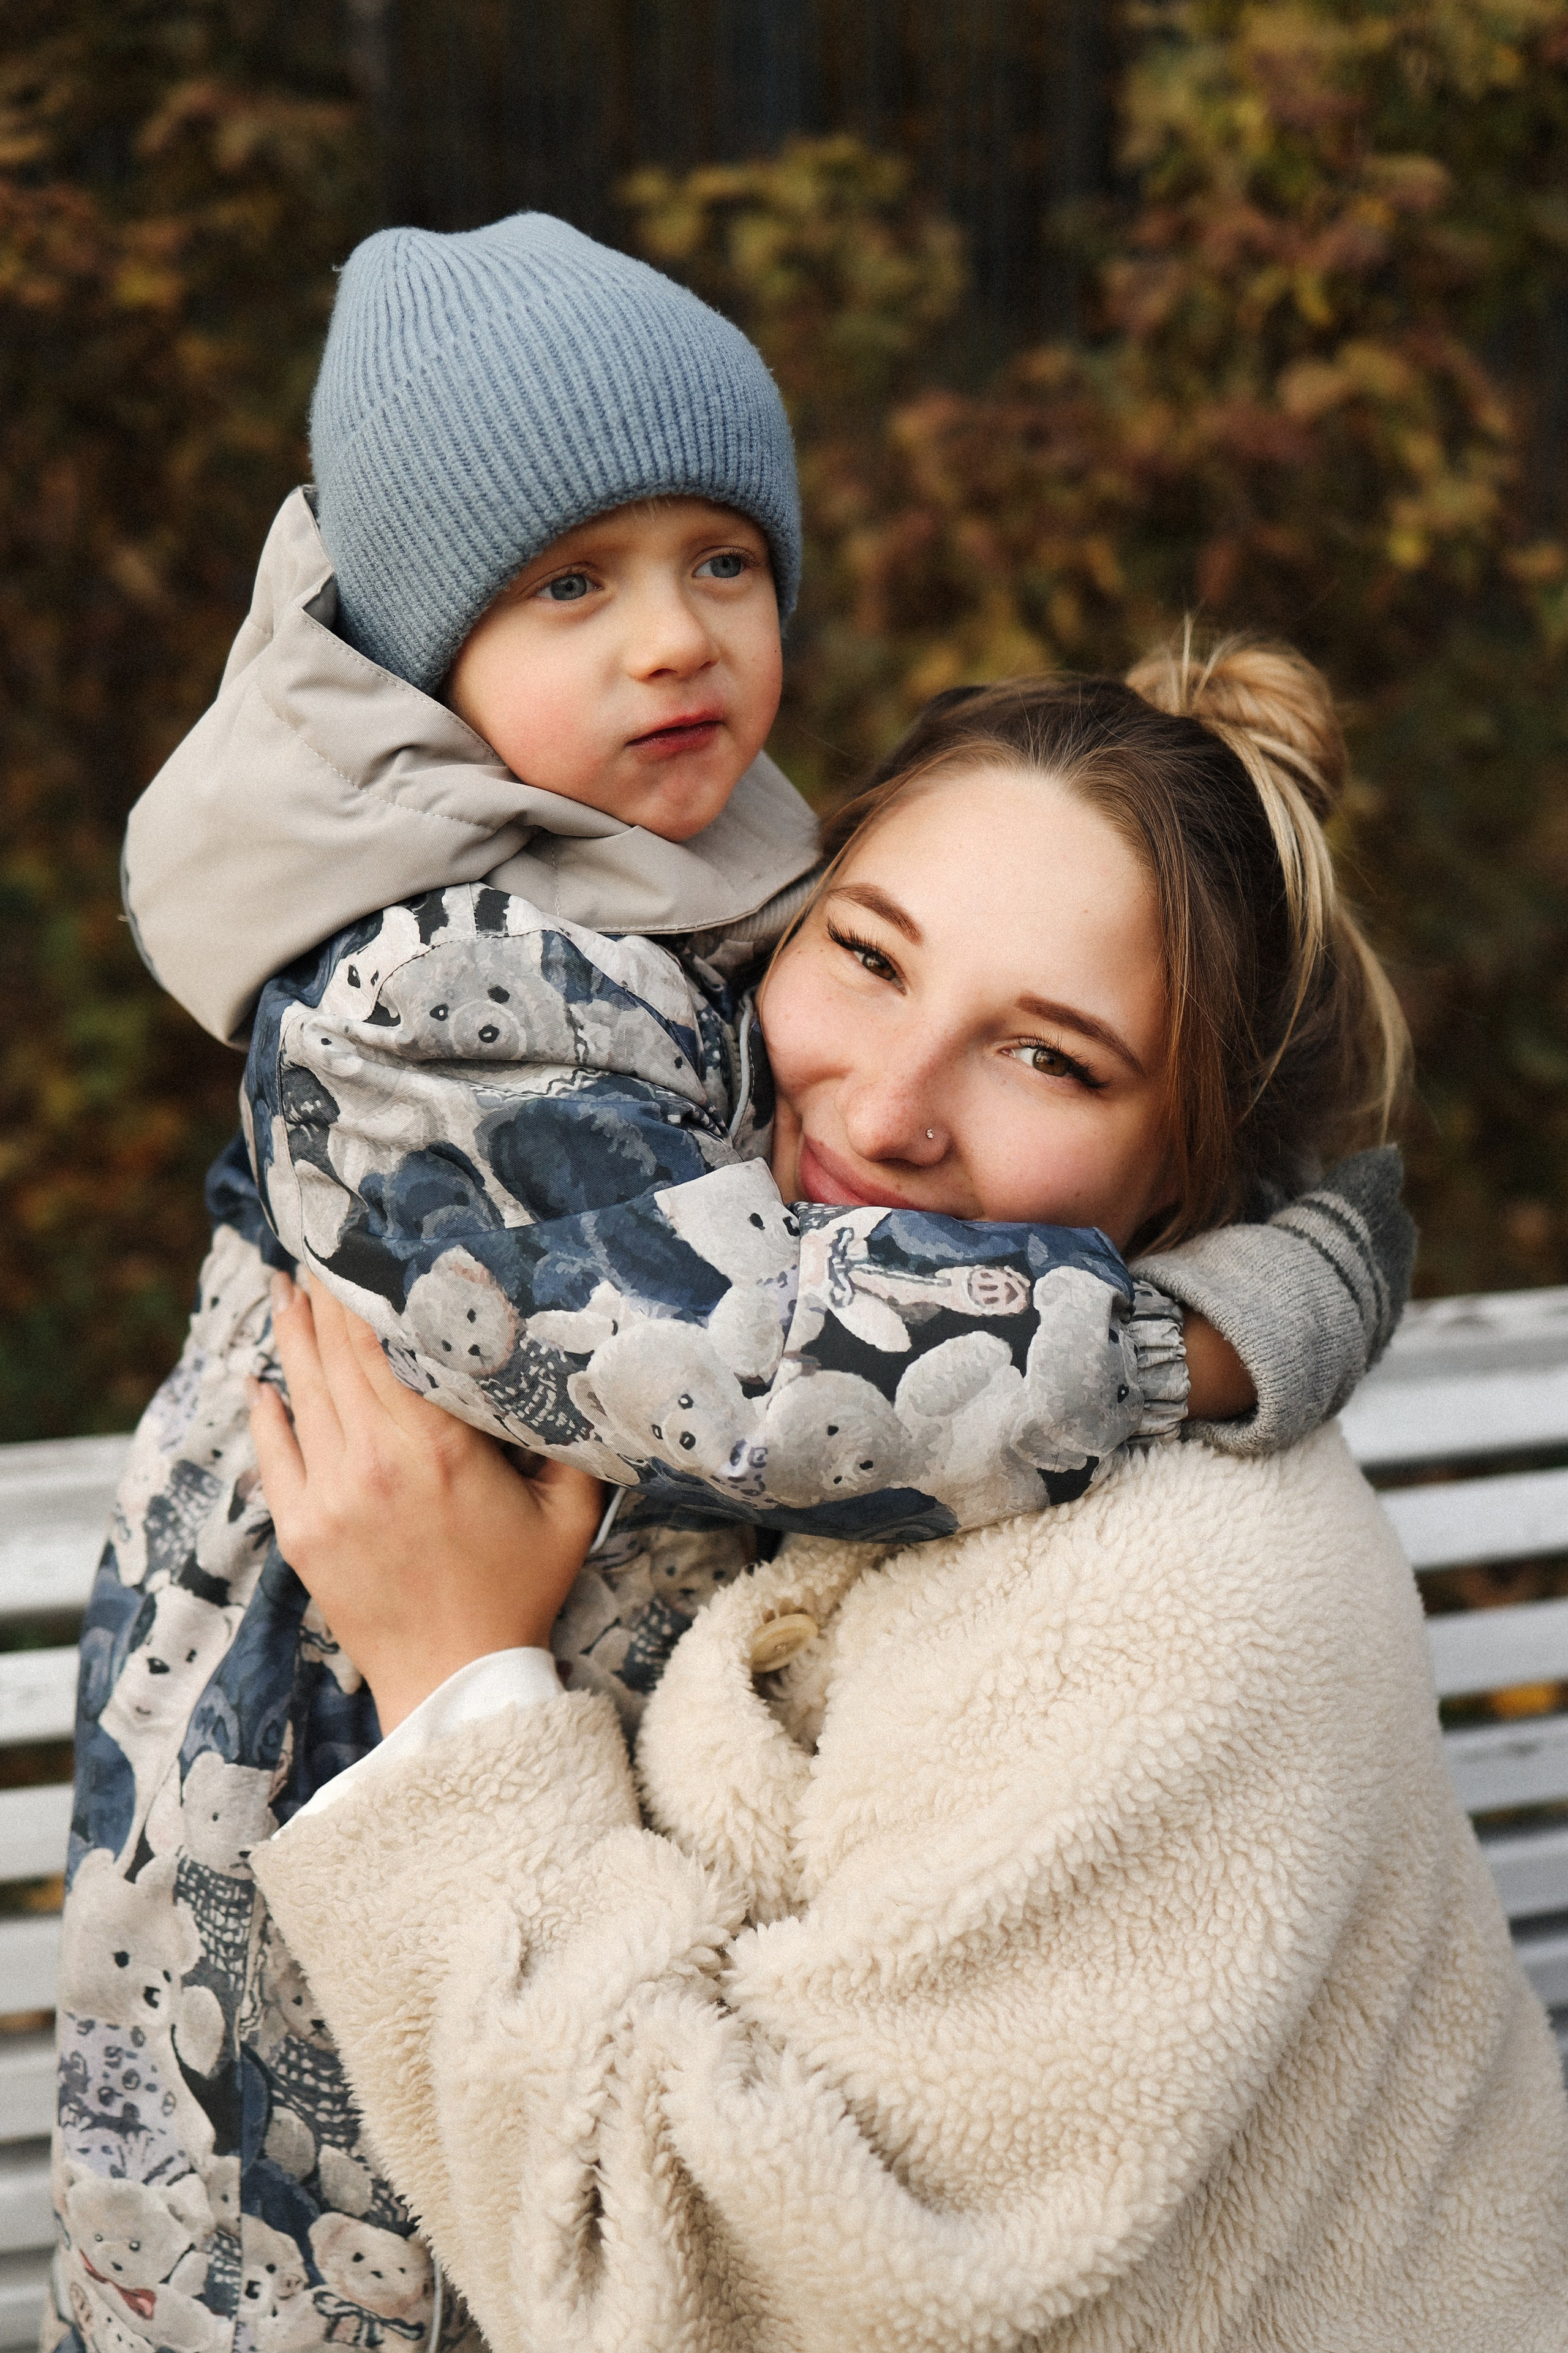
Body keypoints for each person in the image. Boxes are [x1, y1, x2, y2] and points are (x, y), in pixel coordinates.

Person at [51, 211, 1408, 2353]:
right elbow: (757, 1362)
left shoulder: (661, 885)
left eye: (724, 562)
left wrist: (1300, 1239)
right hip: (310, 1747)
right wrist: (1191, 1329)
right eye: (569, 582)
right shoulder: (431, 984)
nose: (671, 639)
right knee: (300, 2246)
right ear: (420, 650)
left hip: (494, 1832)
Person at [250, 645, 1568, 2353]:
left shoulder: (1176, 1596)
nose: (882, 1111)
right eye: (867, 957)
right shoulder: (793, 1404)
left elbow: (751, 2306)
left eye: (1050, 1058)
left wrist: (453, 1690)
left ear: (1196, 1160)